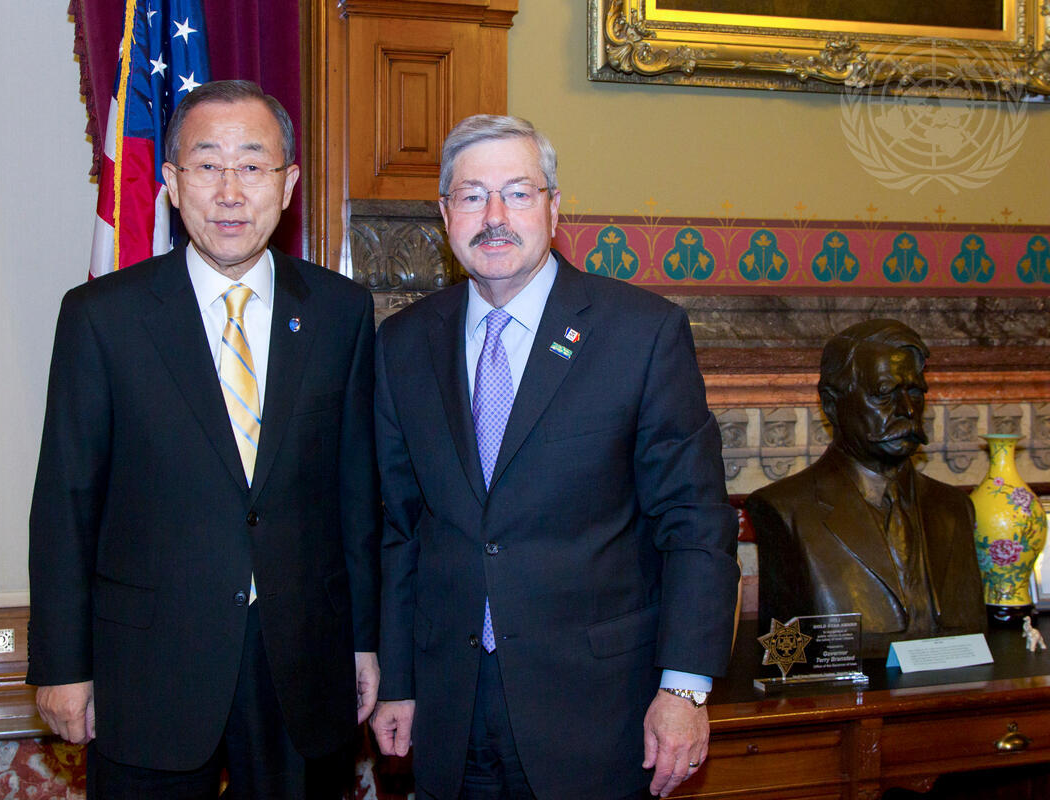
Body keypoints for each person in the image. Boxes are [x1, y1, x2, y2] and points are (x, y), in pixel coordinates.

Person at [369, 115, 741, 800]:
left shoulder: (642, 333)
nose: (495, 216)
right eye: (472, 196)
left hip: (599, 712)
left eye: (517, 192)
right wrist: (398, 681)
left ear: (553, 206)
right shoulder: (401, 344)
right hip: (451, 709)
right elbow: (400, 530)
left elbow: (695, 523)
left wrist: (685, 688)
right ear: (446, 215)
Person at [28, 80, 380, 799]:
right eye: (207, 165)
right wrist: (62, 663)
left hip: (302, 663)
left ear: (288, 185)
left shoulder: (341, 312)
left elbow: (357, 493)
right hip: (148, 666)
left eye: (252, 165)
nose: (229, 191)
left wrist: (366, 640)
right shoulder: (102, 317)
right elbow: (65, 501)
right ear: (170, 182)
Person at [747, 319, 985, 659]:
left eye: (915, 392)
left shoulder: (955, 508)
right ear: (831, 404)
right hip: (843, 685)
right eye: (884, 394)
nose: (907, 410)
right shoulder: (785, 509)